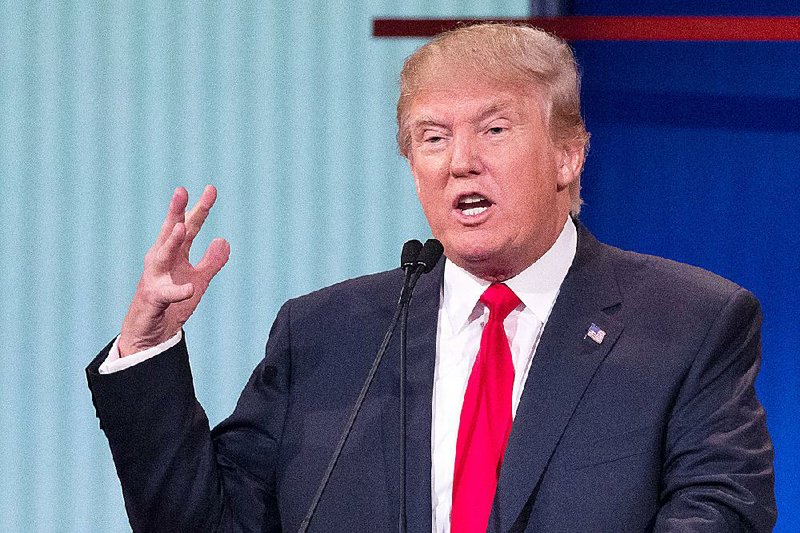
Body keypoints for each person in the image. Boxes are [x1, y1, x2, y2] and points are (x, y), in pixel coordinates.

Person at [86, 23, 776, 532]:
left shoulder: (687, 323)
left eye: (495, 130)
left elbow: (721, 517)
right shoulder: (326, 334)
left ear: (569, 155)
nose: (460, 162)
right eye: (432, 137)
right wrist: (148, 348)